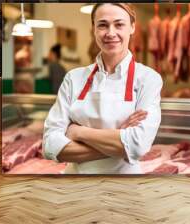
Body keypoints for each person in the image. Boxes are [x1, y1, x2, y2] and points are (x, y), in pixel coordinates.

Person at [43, 3, 163, 174]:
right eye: (103, 25)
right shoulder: (73, 78)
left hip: (124, 187)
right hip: (74, 185)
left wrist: (78, 131)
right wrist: (120, 140)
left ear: (132, 27)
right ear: (94, 29)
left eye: (119, 24)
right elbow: (50, 146)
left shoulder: (148, 79)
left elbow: (138, 146)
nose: (110, 33)